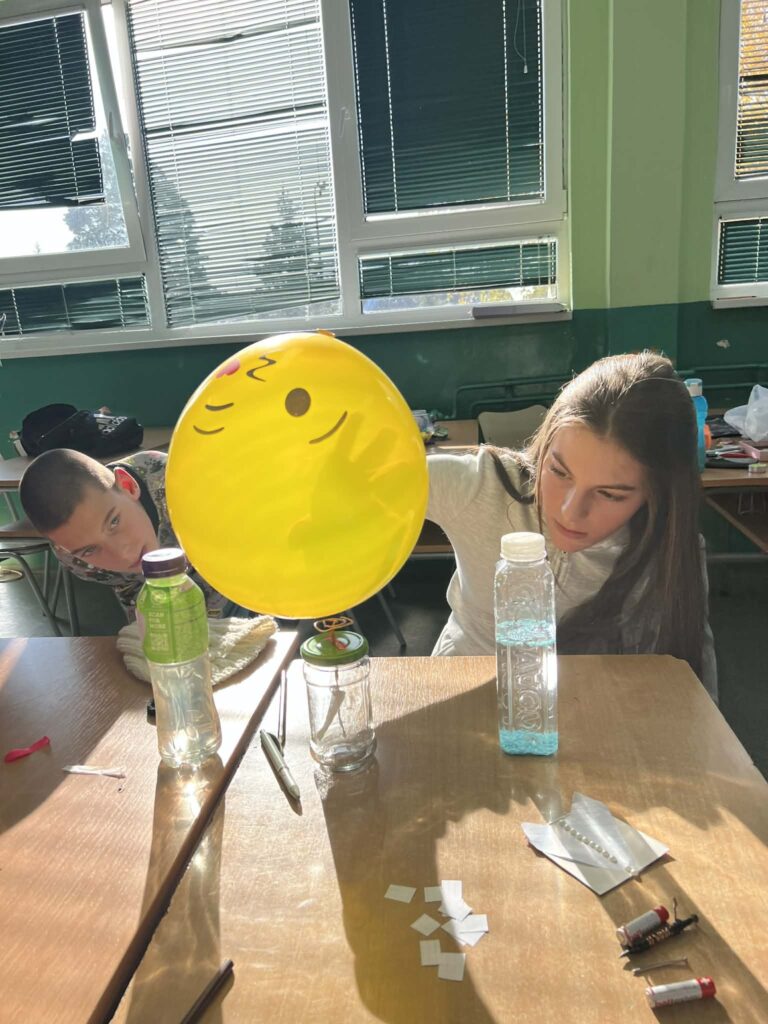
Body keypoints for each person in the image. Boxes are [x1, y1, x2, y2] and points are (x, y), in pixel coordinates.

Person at [427, 351, 718, 699]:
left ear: (659, 493)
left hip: (585, 710)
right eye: (559, 471)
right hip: (457, 696)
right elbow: (371, 478)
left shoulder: (667, 551)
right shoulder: (478, 486)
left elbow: (693, 684)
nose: (570, 511)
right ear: (546, 444)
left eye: (609, 494)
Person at [19, 448, 233, 620]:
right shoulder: (74, 559)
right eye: (90, 550)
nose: (124, 554)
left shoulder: (180, 482)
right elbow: (135, 596)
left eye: (114, 522)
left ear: (128, 486)